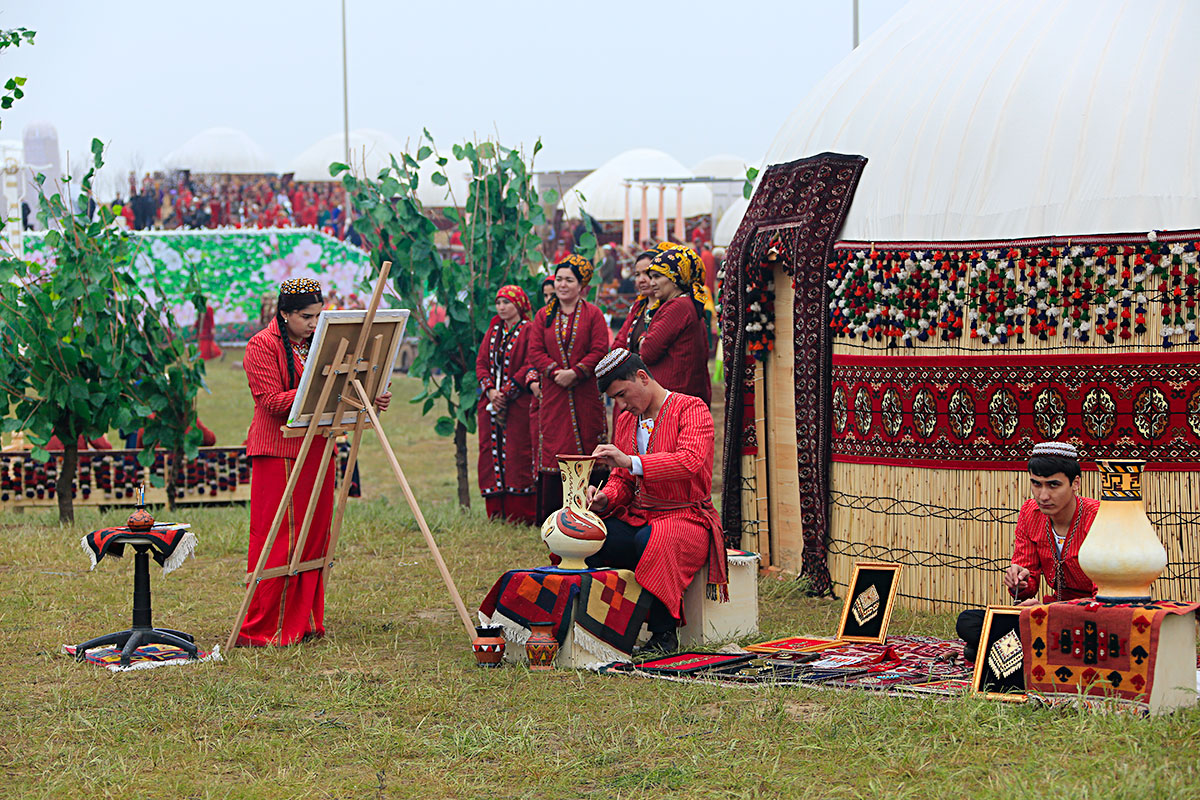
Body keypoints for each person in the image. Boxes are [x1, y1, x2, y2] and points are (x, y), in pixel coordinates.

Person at [238, 277, 391, 646]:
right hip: (278, 450)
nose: (312, 323)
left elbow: (337, 390)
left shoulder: (318, 344)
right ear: (285, 313)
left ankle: (303, 621)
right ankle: (267, 626)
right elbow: (271, 401)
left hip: (318, 446)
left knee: (314, 536)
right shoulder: (261, 345)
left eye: (317, 316)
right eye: (306, 317)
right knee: (281, 539)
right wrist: (326, 387)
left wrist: (367, 395)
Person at [584, 348, 728, 655]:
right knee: (593, 537)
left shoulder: (692, 408)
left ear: (642, 377)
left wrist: (630, 461)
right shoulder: (627, 421)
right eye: (615, 399)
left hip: (688, 517)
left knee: (654, 540)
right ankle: (604, 627)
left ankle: (664, 635)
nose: (621, 405)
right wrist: (604, 499)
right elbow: (622, 481)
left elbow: (689, 462)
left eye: (622, 395)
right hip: (641, 516)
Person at [955, 441, 1099, 661]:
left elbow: (1106, 599)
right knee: (968, 621)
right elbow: (1028, 585)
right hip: (1049, 615)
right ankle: (1034, 652)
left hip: (1091, 618)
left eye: (1053, 485)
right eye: (1036, 484)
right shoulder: (1030, 513)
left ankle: (1005, 653)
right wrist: (1019, 581)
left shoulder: (1098, 517)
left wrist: (1051, 610)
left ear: (1075, 483)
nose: (1043, 496)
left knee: (982, 645)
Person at [528, 255, 609, 521]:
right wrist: (555, 372)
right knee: (556, 443)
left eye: (569, 280)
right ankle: (555, 518)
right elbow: (535, 350)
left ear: (581, 285)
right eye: (559, 279)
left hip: (585, 393)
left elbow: (600, 348)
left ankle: (590, 514)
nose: (562, 285)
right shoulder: (543, 316)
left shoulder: (593, 314)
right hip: (554, 395)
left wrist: (576, 372)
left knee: (589, 441)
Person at [476, 285, 537, 525]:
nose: (501, 307)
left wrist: (507, 391)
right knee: (489, 453)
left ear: (519, 305)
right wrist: (491, 391)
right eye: (498, 303)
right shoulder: (493, 331)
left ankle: (521, 514)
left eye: (507, 303)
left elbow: (530, 363)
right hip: (490, 402)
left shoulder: (529, 330)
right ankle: (496, 512)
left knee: (518, 452)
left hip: (518, 402)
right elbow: (481, 362)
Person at [640, 244, 712, 405]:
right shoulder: (688, 304)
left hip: (673, 396)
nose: (652, 283)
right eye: (651, 277)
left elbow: (648, 352)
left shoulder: (677, 307)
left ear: (675, 278)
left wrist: (642, 339)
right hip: (681, 394)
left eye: (657, 276)